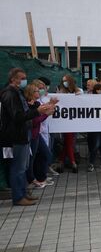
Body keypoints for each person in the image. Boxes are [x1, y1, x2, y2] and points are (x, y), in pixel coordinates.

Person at [0, 68, 57, 206]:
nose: (24, 80)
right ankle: (18, 197)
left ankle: (23, 193)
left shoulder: (16, 93)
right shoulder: (9, 94)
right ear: (13, 79)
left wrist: (41, 110)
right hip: (15, 136)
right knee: (18, 168)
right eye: (21, 78)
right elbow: (18, 116)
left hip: (23, 134)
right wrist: (38, 111)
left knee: (23, 166)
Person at [24, 82, 52, 188]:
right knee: (31, 159)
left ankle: (39, 177)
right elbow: (35, 121)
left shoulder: (36, 104)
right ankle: (32, 179)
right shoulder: (29, 106)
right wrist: (46, 115)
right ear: (31, 93)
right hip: (32, 135)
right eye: (37, 90)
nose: (39, 92)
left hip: (36, 134)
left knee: (45, 154)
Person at [57, 74, 83, 173]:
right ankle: (73, 162)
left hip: (75, 121)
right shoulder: (61, 92)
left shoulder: (79, 91)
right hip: (64, 121)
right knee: (69, 141)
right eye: (63, 81)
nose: (65, 83)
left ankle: (61, 161)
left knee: (68, 142)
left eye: (66, 80)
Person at [87, 84, 101, 171]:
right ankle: (91, 163)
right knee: (96, 144)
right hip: (95, 126)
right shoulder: (91, 98)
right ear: (96, 90)